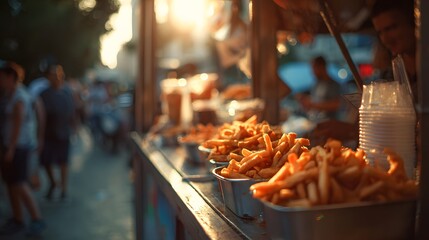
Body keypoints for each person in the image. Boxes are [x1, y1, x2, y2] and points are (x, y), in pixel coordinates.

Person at [0, 61, 46, 236]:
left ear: (11, 77)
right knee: (12, 184)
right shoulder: (10, 95)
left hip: (18, 147)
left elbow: (18, 125)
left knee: (19, 184)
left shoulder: (20, 97)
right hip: (13, 146)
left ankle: (37, 219)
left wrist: (10, 149)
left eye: (2, 77)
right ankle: (18, 219)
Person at [39, 64, 74, 200]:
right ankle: (53, 183)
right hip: (48, 133)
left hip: (63, 132)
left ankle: (63, 189)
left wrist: (74, 125)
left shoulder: (66, 93)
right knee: (47, 161)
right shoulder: (44, 94)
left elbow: (72, 112)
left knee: (63, 162)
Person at [371, 0, 416, 102]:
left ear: (413, 23)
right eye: (380, 32)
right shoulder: (387, 77)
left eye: (391, 28)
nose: (385, 39)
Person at [297, 56, 341, 123]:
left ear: (322, 67)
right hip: (315, 121)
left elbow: (336, 105)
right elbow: (314, 100)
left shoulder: (334, 85)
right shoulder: (316, 84)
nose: (312, 72)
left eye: (314, 68)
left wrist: (312, 105)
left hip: (329, 124)